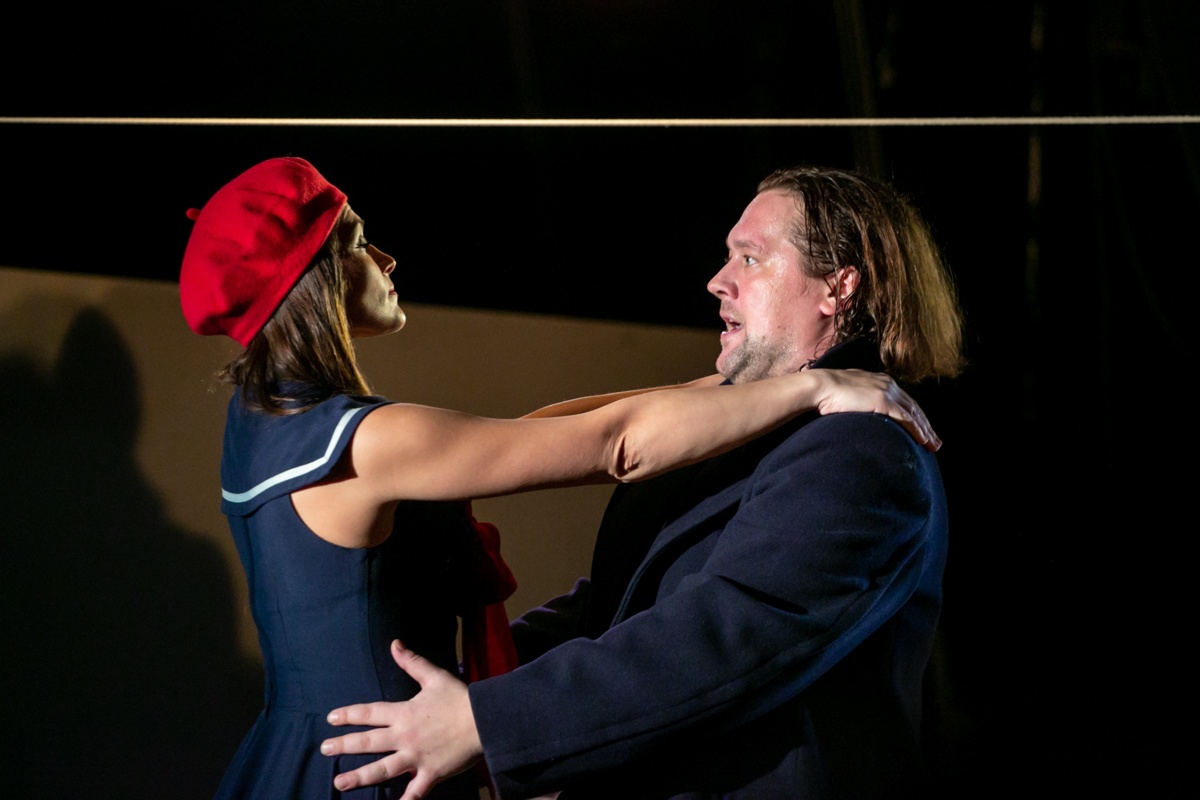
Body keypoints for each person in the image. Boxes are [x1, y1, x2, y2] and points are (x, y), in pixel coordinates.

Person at [178, 156, 941, 800]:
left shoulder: (860, 451)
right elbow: (610, 448)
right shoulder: (367, 437)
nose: (717, 280)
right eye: (358, 240)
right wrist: (811, 385)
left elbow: (713, 633)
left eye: (749, 258)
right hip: (367, 761)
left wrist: (486, 708)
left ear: (839, 288)